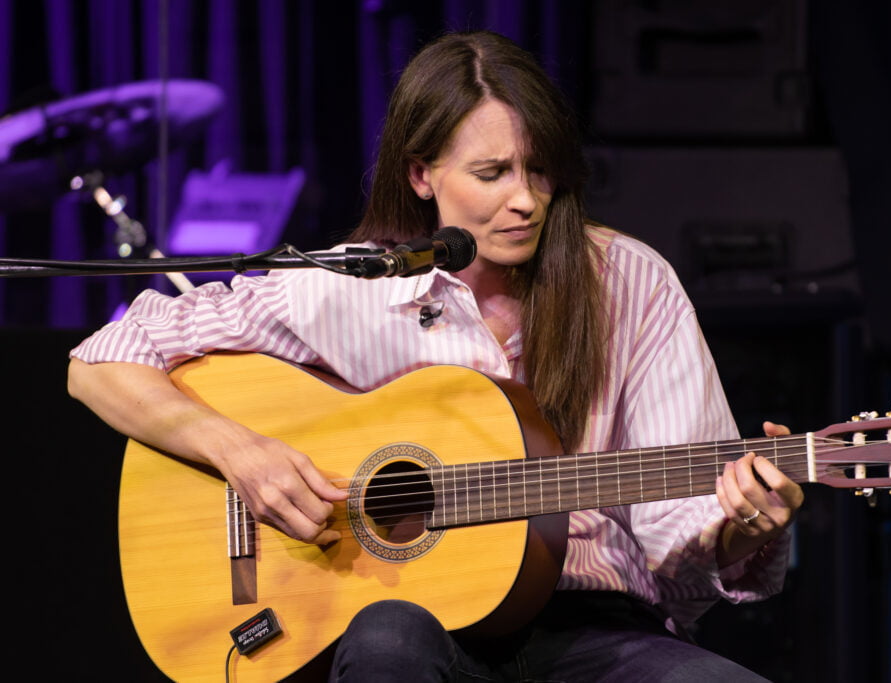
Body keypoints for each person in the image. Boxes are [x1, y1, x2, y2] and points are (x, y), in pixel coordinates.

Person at [68, 30, 803, 682]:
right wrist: (240, 451)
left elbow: (679, 560)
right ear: (423, 175)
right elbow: (102, 357)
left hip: (593, 630)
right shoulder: (348, 288)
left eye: (540, 170)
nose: (527, 200)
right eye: (492, 174)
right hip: (416, 628)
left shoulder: (629, 281)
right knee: (391, 637)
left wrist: (740, 527)